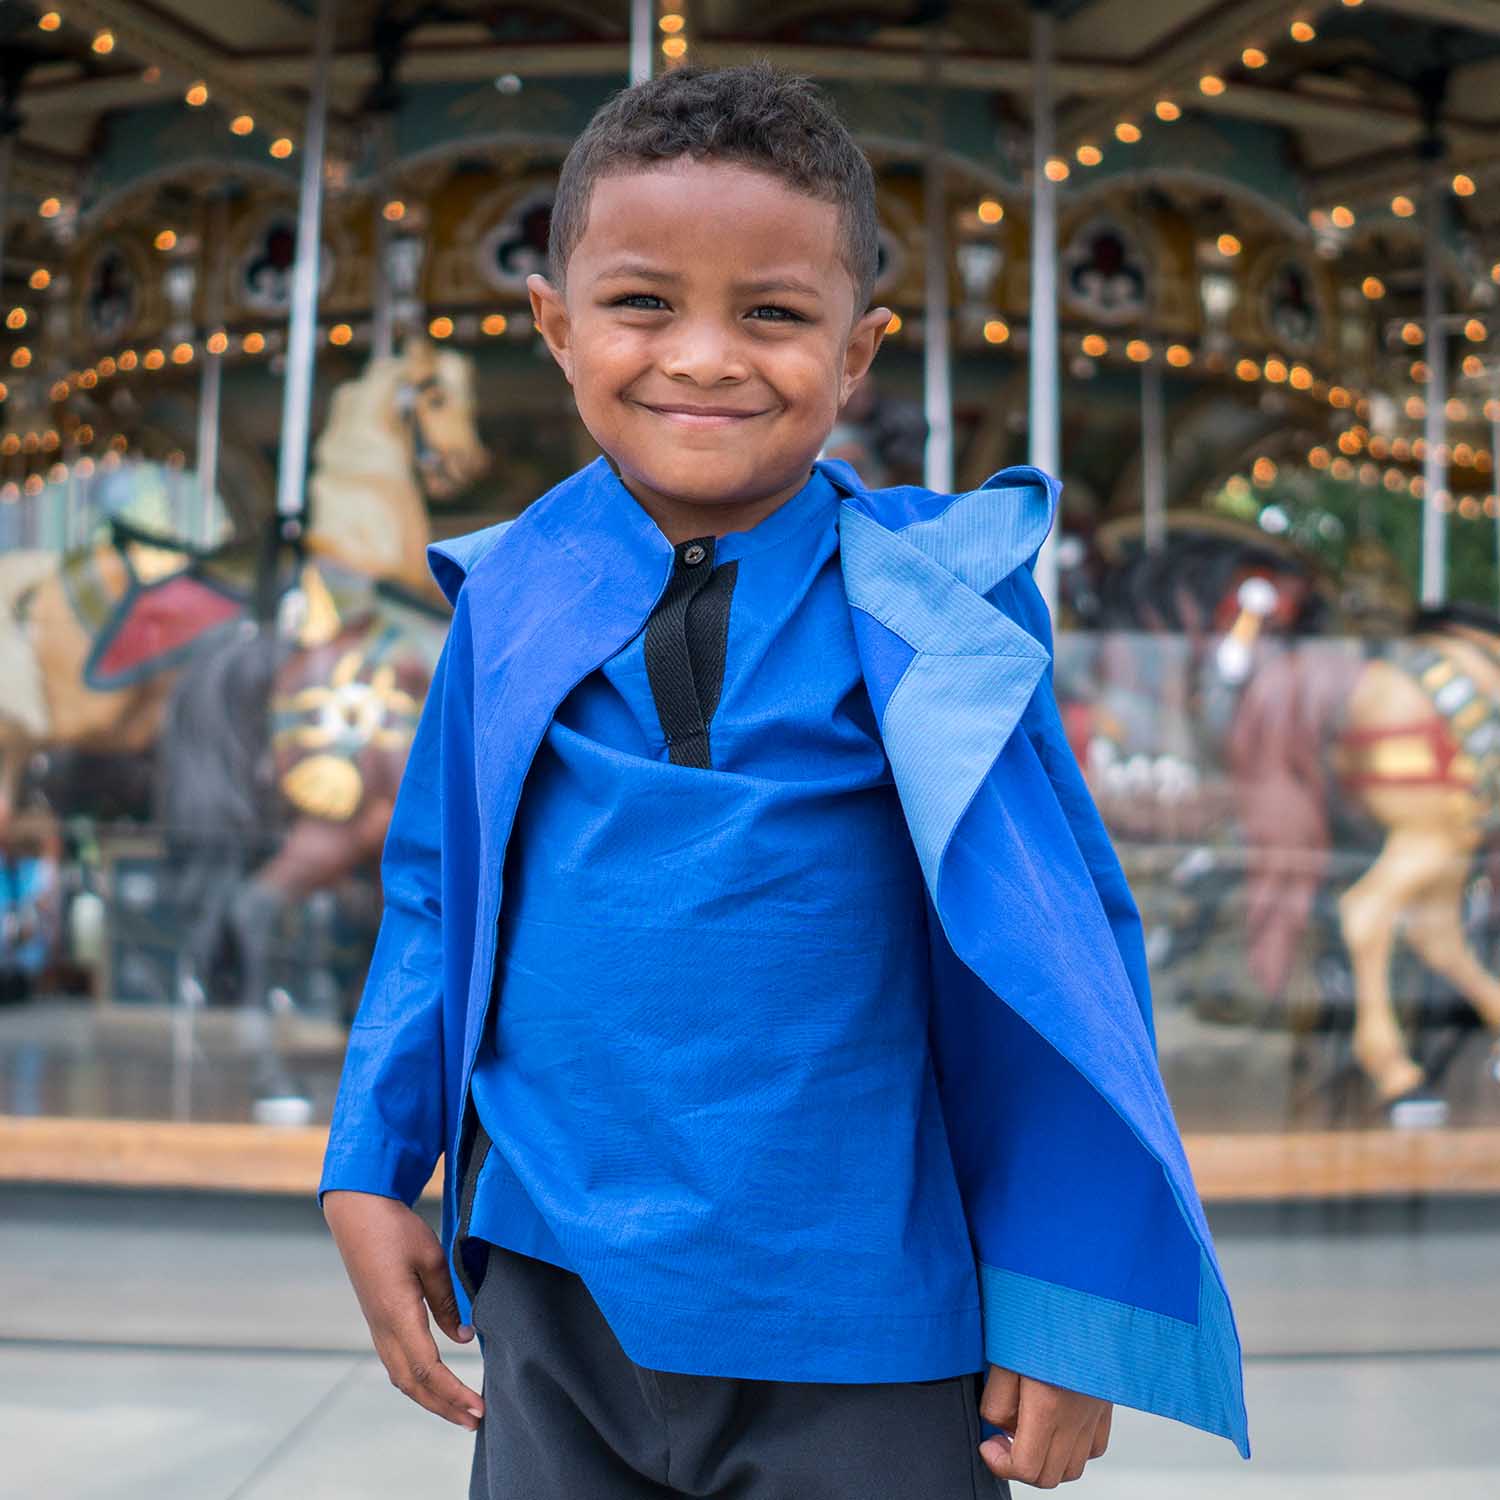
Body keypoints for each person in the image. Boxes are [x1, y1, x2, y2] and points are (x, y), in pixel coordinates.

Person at [320, 63, 1249, 1499]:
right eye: (643, 304)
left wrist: (1066, 1302)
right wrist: (370, 1160)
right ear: (556, 328)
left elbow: (1058, 953)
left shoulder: (936, 614)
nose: (704, 358)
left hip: (869, 1326)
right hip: (558, 1296)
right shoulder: (507, 597)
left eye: (771, 314)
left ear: (857, 352)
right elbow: (437, 893)